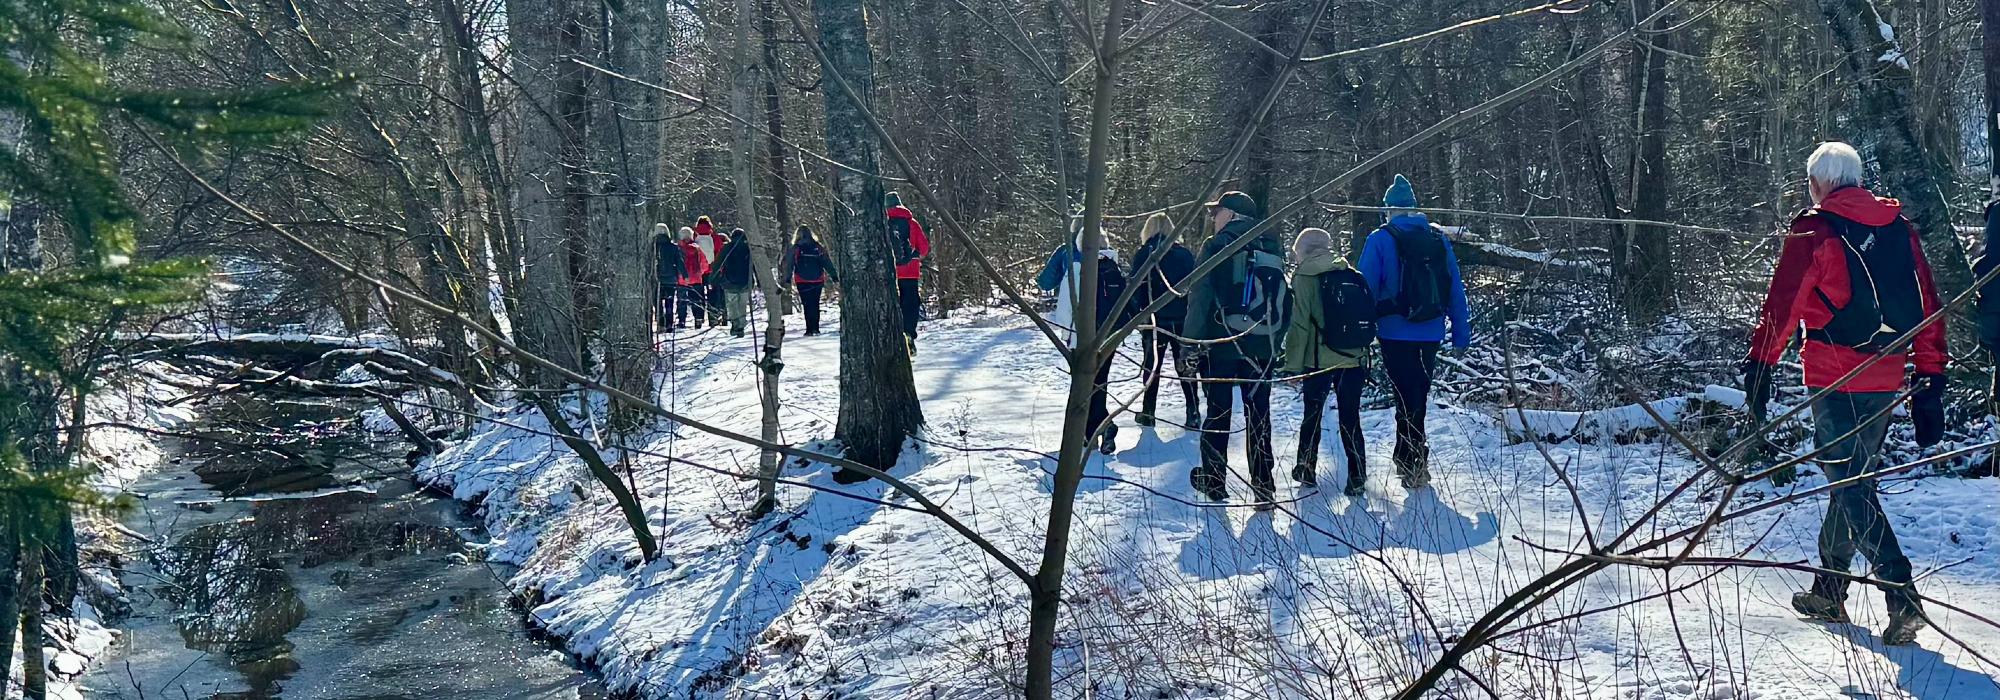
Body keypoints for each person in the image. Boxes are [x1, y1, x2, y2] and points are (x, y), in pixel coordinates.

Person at [1742, 141, 1945, 646]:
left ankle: (1902, 595)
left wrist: (1761, 366)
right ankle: (1830, 589)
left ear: (1819, 183)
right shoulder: (1899, 229)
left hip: (1835, 375)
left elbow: (1782, 303)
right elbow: (1927, 302)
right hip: (1888, 373)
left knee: (1850, 482)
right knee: (1853, 479)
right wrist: (1930, 378)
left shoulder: (1815, 229)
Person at [1356, 174, 1469, 489]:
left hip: (1394, 331)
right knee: (1417, 394)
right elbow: (1454, 289)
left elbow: (1365, 288)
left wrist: (1360, 334)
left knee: (1404, 397)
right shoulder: (1437, 239)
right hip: (1431, 330)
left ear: (1389, 209)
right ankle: (1412, 458)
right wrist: (1461, 333)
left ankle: (1411, 461)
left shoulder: (1379, 238)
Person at [1182, 191, 1287, 506]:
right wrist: (1275, 344)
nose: (1213, 218)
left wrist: (1189, 345)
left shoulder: (1216, 246)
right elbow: (1284, 299)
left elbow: (1199, 298)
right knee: (1259, 415)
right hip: (1262, 345)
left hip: (1221, 344)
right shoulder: (1271, 245)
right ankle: (1264, 485)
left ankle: (1214, 481)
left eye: (1216, 212)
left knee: (1218, 413)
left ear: (1230, 214)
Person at [1283, 227, 1373, 497]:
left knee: (1312, 414)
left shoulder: (1304, 277)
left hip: (1318, 361)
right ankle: (1357, 475)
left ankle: (1306, 467)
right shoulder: (1351, 273)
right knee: (1351, 417)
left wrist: (1292, 366)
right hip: (1352, 358)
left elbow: (1299, 325)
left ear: (1302, 250)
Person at [1131, 212, 1199, 428]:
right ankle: (1193, 410)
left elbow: (1135, 289)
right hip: (1182, 319)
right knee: (1185, 365)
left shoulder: (1144, 254)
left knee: (1152, 366)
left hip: (1154, 319)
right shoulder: (1185, 255)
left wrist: (1137, 315)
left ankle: (1148, 412)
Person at [885, 192, 931, 349]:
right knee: (910, 305)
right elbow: (924, 248)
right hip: (910, 272)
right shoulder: (912, 223)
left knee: (893, 304)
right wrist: (916, 255)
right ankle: (909, 334)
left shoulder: (882, 224)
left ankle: (893, 337)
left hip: (890, 272)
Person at [783, 225, 837, 336]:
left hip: (802, 280)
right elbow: (826, 262)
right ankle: (816, 328)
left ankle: (809, 329)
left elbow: (789, 264)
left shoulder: (796, 248)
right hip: (817, 280)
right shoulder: (817, 247)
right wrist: (834, 276)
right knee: (815, 304)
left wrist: (787, 279)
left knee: (807, 304)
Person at [718, 227, 754, 337]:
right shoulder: (748, 248)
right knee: (742, 304)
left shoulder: (726, 248)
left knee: (732, 304)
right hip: (745, 281)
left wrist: (715, 278)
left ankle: (735, 324)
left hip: (729, 282)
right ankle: (741, 325)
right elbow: (754, 265)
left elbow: (719, 263)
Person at [693, 216, 727, 327]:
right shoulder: (714, 237)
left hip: (698, 271)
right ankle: (713, 317)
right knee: (713, 294)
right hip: (712, 271)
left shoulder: (694, 237)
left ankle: (698, 318)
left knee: (698, 295)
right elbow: (720, 253)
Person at [672, 226, 708, 328]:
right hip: (696, 278)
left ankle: (682, 320)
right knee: (696, 299)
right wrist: (700, 272)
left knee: (682, 300)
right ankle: (698, 318)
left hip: (682, 279)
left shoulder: (678, 248)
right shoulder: (696, 248)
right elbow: (704, 262)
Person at [652, 223, 684, 332]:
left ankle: (661, 323)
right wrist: (685, 275)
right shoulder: (673, 247)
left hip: (655, 279)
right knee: (669, 302)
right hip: (670, 278)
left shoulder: (652, 248)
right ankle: (669, 324)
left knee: (658, 302)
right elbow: (679, 261)